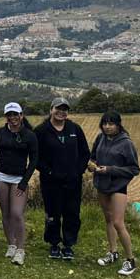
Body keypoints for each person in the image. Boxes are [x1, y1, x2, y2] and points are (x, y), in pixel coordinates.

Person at [34, 97, 91, 261]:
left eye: (65, 109)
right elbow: (36, 157)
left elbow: (85, 153)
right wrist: (49, 172)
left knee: (72, 213)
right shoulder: (41, 130)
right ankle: (54, 243)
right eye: (58, 108)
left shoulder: (75, 129)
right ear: (51, 110)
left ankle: (68, 245)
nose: (61, 112)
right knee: (53, 213)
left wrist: (78, 172)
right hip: (51, 182)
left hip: (73, 182)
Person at [89, 111, 140, 276]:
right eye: (104, 123)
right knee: (109, 220)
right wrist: (91, 165)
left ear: (118, 125)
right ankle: (113, 252)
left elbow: (134, 169)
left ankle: (130, 260)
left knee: (118, 222)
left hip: (118, 186)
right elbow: (93, 157)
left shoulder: (126, 143)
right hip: (102, 184)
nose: (107, 127)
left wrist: (110, 170)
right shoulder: (100, 138)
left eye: (111, 124)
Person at [0, 103, 38, 266]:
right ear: (5, 116)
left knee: (17, 214)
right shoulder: (0, 133)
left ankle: (20, 250)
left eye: (15, 114)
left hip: (19, 179)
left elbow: (34, 160)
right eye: (9, 115)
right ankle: (11, 244)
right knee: (6, 213)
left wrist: (24, 182)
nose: (12, 118)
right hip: (1, 177)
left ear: (21, 115)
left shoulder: (29, 135)